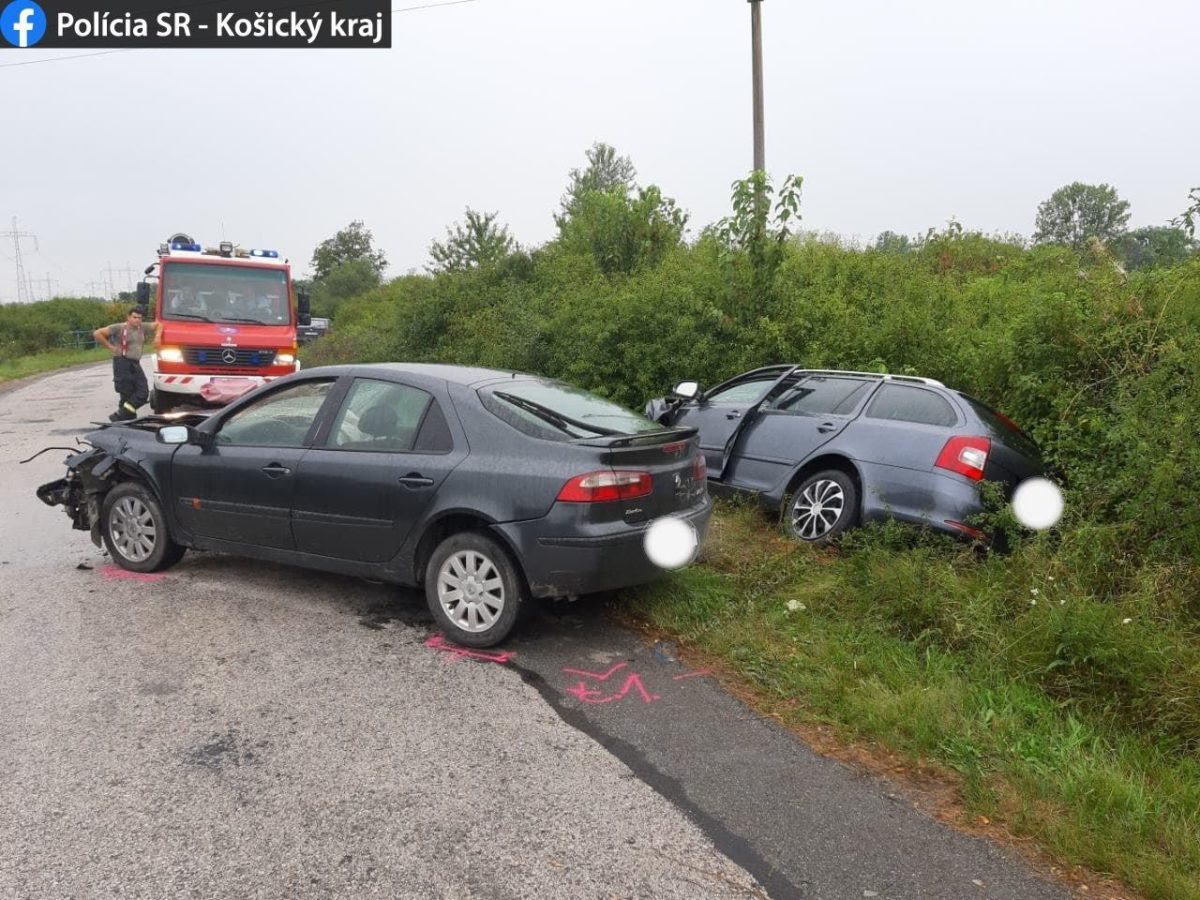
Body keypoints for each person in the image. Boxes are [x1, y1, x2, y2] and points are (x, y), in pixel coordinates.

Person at [93, 307, 162, 421]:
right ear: (128, 317)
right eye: (134, 317)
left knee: (142, 392)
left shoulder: (142, 327)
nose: (137, 320)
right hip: (122, 362)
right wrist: (110, 347)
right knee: (126, 393)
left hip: (135, 363)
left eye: (139, 318)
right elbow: (97, 333)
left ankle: (120, 415)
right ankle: (127, 419)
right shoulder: (119, 327)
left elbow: (159, 325)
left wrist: (158, 337)